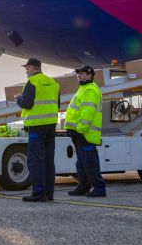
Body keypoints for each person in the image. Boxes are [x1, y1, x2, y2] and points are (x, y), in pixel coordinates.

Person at [15, 58, 59, 202]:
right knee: (48, 160)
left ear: (34, 68)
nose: (26, 70)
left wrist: (18, 99)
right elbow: (57, 104)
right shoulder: (53, 82)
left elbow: (27, 103)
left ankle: (38, 193)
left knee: (35, 160)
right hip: (51, 124)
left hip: (36, 126)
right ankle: (49, 193)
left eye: (27, 68)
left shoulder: (32, 82)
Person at [65, 65, 106, 197]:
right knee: (81, 162)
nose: (79, 76)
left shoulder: (90, 90)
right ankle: (83, 186)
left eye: (82, 74)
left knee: (90, 162)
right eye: (79, 74)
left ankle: (99, 188)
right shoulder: (83, 89)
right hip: (79, 133)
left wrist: (80, 129)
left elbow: (87, 112)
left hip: (85, 133)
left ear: (90, 75)